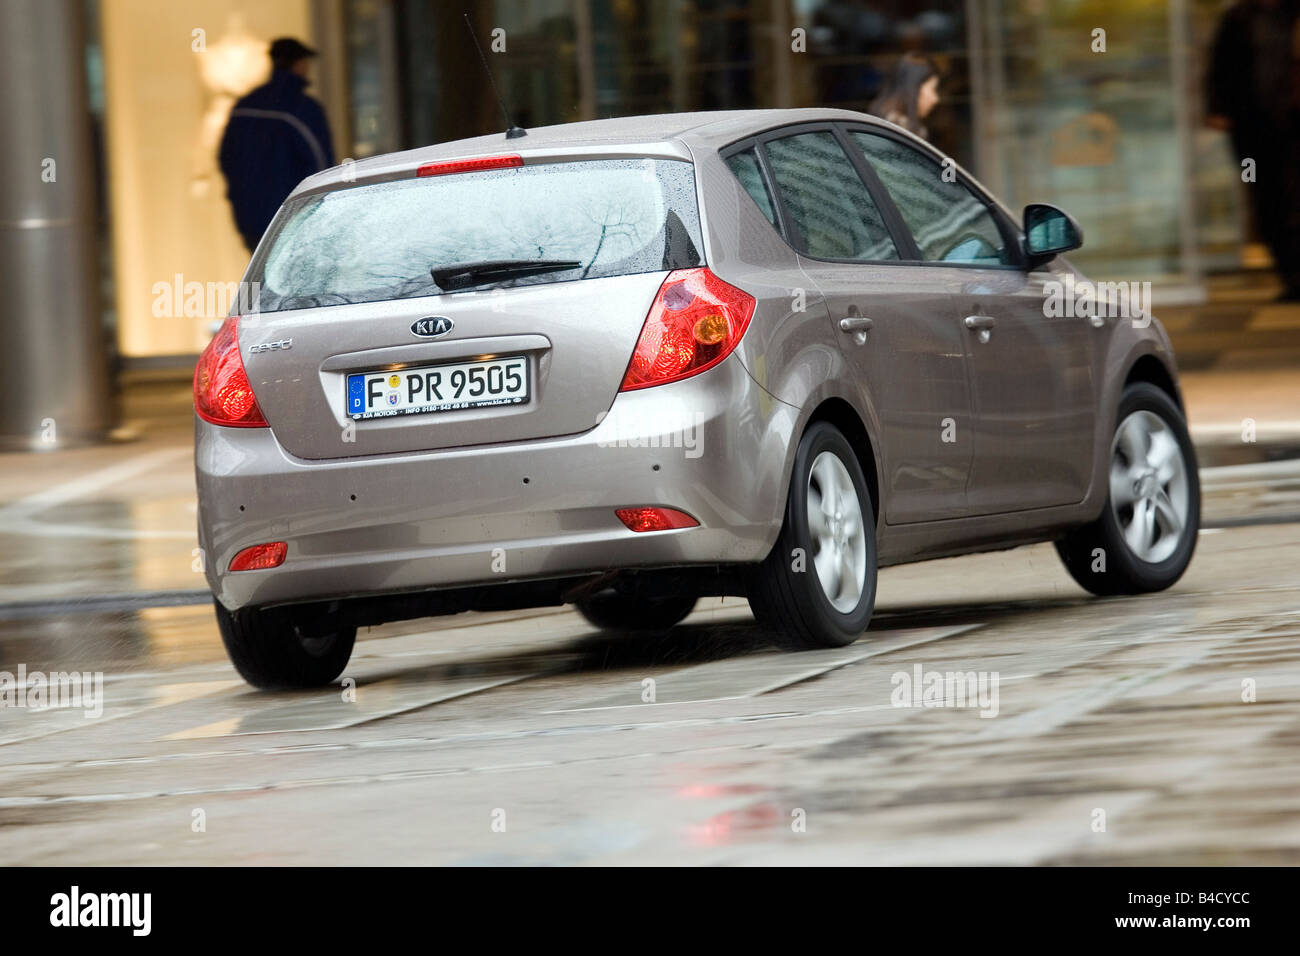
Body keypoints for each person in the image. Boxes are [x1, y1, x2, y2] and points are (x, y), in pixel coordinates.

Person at [1205, 0, 1300, 301]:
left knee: (1293, 197)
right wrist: (1218, 109)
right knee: (1266, 198)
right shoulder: (1238, 18)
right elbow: (1219, 65)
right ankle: (1291, 275)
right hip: (1252, 127)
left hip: (1293, 123)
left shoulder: (1292, 13)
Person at [218, 37, 335, 253]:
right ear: (299, 64)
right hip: (294, 221)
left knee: (262, 282)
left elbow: (226, 158)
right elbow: (322, 168)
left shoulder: (245, 106)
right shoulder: (303, 109)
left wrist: (238, 196)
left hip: (249, 218)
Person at [869, 53, 941, 140]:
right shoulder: (898, 131)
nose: (935, 99)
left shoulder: (881, 121)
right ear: (914, 89)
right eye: (933, 89)